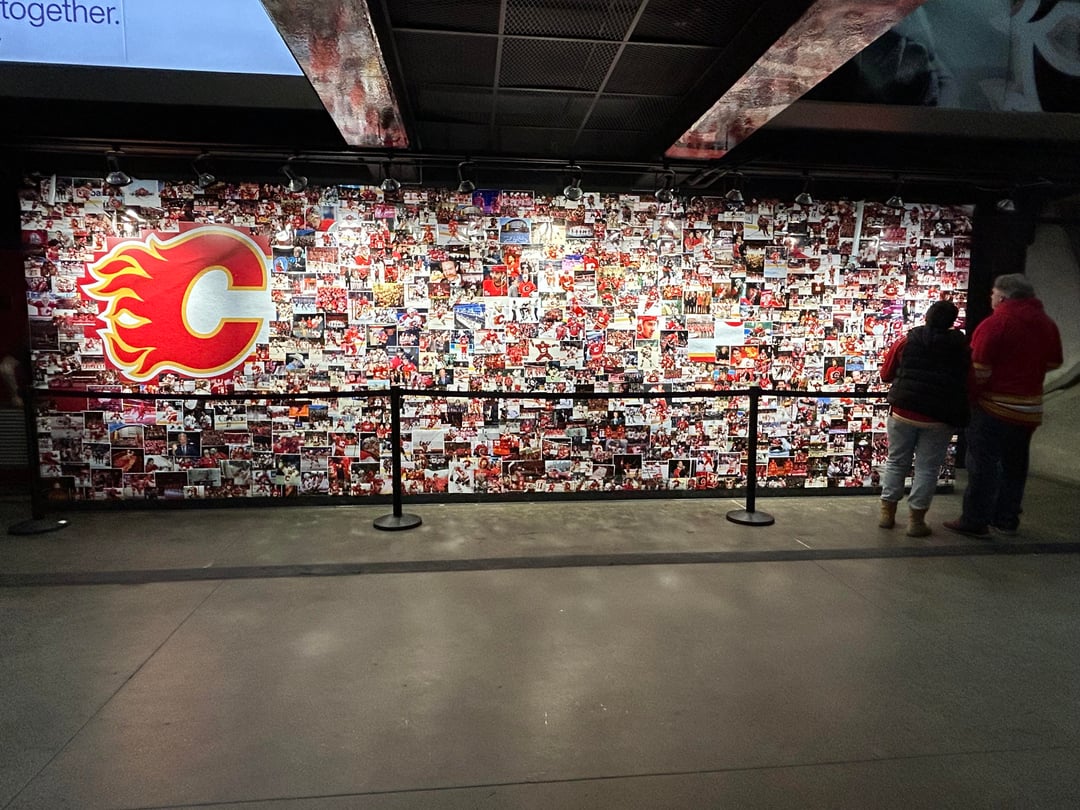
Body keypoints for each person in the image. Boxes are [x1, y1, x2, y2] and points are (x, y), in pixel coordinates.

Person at [944, 274, 1063, 538]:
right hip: (1029, 410)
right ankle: (1007, 519)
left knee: (983, 465)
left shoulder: (996, 323)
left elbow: (979, 369)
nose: (991, 297)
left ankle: (975, 520)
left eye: (993, 293)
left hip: (994, 407)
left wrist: (971, 399)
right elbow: (1054, 362)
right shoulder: (1047, 324)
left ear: (1003, 297)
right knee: (1015, 466)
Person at [878, 300, 970, 536]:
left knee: (896, 461)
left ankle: (887, 514)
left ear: (927, 316)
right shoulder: (961, 347)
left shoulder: (906, 341)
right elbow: (968, 380)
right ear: (952, 322)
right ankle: (916, 521)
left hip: (903, 411)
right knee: (927, 468)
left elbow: (886, 374)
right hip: (939, 415)